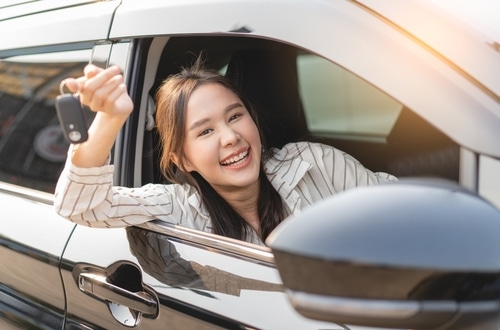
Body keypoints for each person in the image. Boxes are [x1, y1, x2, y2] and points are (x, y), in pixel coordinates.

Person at [54, 57, 397, 246]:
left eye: (235, 116)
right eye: (205, 131)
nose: (231, 137)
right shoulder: (179, 208)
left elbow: (402, 214)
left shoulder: (314, 162)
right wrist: (110, 119)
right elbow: (78, 205)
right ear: (182, 159)